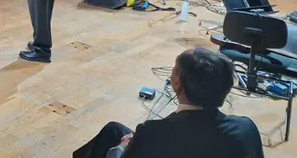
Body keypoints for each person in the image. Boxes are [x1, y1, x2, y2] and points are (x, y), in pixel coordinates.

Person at [74, 48, 263, 158]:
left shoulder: (152, 133)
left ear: (176, 82)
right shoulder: (246, 128)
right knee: (114, 129)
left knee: (112, 141)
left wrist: (125, 147)